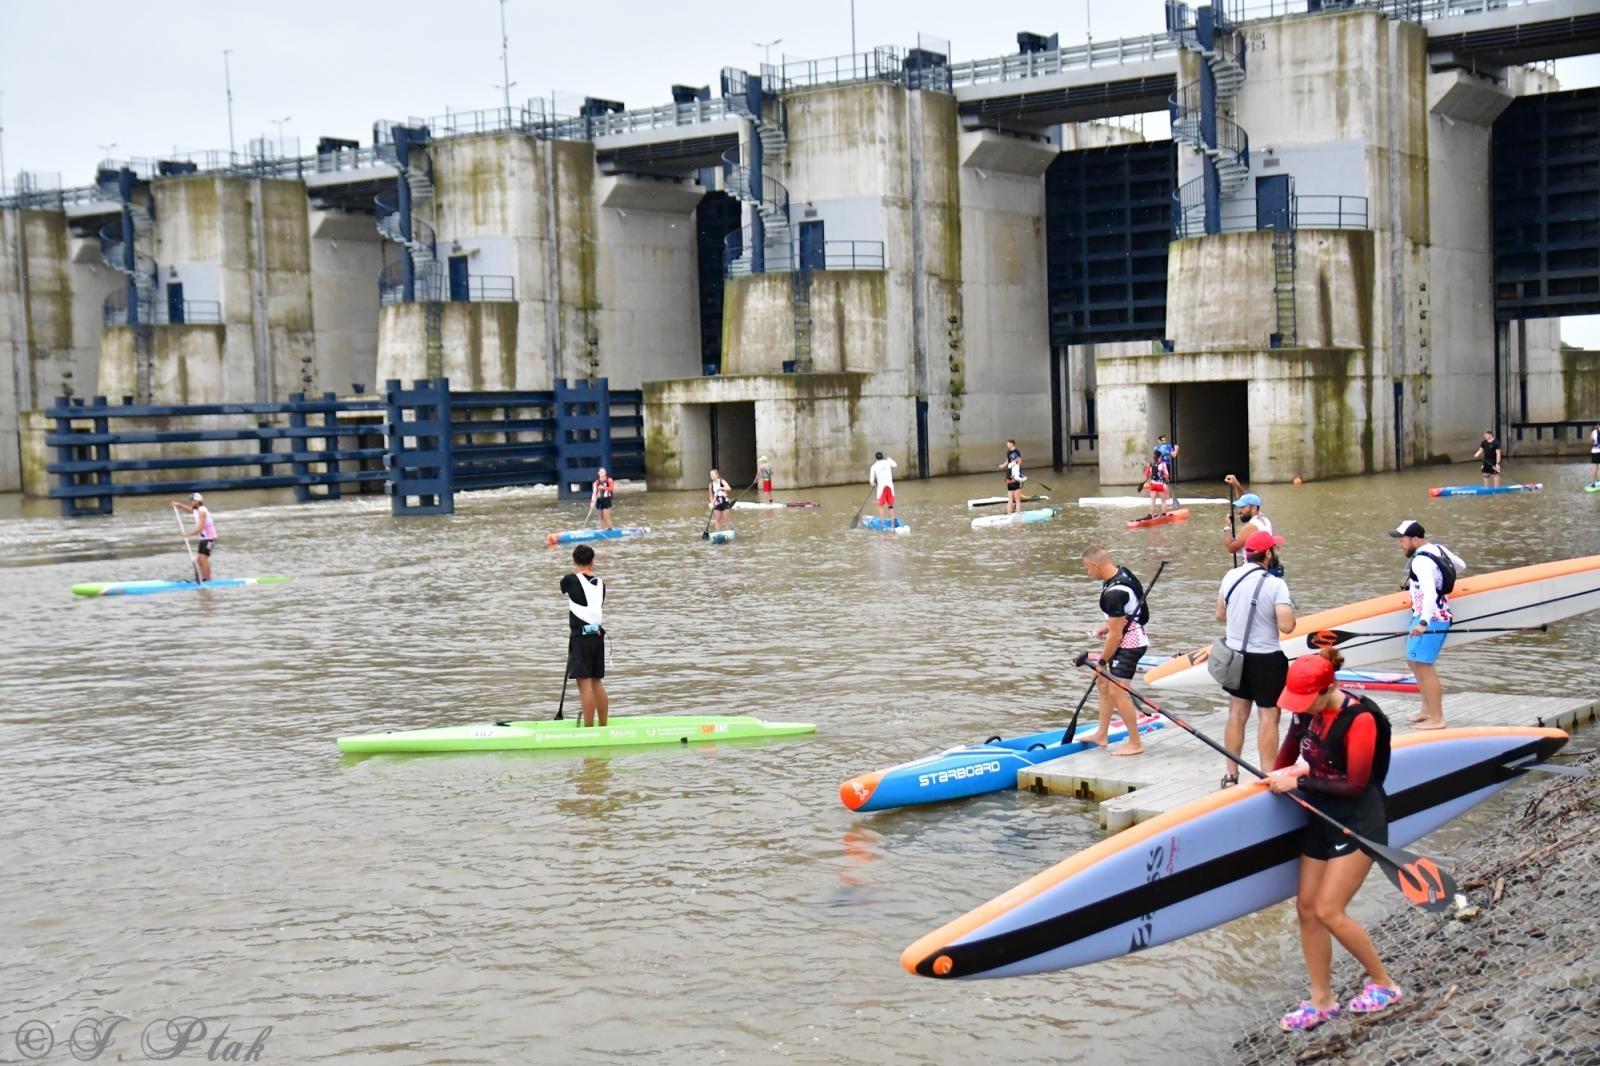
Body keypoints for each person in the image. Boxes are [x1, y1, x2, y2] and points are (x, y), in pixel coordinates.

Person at [1269, 649, 1402, 1032]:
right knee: (1307, 909)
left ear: (1328, 688)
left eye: (1304, 700)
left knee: (1329, 910)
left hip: (1359, 821)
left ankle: (1384, 984)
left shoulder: (1360, 719)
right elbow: (1291, 747)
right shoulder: (1306, 709)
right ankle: (1321, 1000)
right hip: (1320, 816)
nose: (1300, 708)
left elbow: (1356, 784)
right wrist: (1274, 776)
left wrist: (1299, 780)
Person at [1216, 529, 1297, 788]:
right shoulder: (1276, 584)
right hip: (1266, 659)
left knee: (1236, 715)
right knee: (1268, 717)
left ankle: (1230, 774)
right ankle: (1268, 775)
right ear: (1269, 553)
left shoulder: (1230, 576)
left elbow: (1220, 614)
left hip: (1236, 656)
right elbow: (1287, 626)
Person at [1389, 520, 1466, 730]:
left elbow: (1431, 592)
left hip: (1430, 619)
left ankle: (1437, 718)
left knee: (1424, 667)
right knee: (1414, 663)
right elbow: (1461, 566)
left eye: (1402, 540)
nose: (1400, 545)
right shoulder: (1438, 549)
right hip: (1432, 615)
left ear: (1415, 539)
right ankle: (1426, 710)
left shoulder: (1420, 561)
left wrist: (1423, 622)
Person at [1082, 546, 1149, 757]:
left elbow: (1117, 636)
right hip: (1124, 636)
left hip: (1130, 644)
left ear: (1096, 565)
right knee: (1104, 683)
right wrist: (1109, 625)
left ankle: (1135, 743)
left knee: (1117, 691)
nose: (1088, 573)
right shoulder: (1122, 572)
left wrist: (1101, 662)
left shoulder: (1114, 593)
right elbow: (1132, 609)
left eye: (1087, 569)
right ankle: (1102, 734)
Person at [560, 544, 609, 728]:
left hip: (581, 638)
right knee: (597, 682)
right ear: (592, 561)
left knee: (584, 685)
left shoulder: (570, 580)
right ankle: (603, 726)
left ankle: (589, 730)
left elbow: (563, 588)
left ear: (574, 561)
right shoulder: (601, 583)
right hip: (598, 637)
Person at [1222, 474, 1283, 576]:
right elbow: (1245, 499)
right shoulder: (1264, 519)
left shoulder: (1251, 527)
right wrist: (1236, 485)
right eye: (1239, 507)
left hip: (1252, 572)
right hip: (1265, 569)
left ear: (1254, 508)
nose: (1239, 511)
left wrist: (1227, 526)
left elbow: (1231, 548)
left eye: (1242, 507)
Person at [170, 492, 216, 582]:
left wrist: (188, 534)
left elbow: (199, 528)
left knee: (203, 559)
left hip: (210, 538)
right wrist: (178, 505)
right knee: (199, 560)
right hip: (204, 538)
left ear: (197, 501)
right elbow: (188, 509)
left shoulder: (202, 511)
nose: (190, 502)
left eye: (192, 501)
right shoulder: (196, 509)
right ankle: (204, 579)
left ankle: (208, 580)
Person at [869, 451, 898, 524]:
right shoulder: (887, 462)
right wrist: (889, 458)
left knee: (881, 506)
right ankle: (892, 525)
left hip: (881, 488)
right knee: (891, 506)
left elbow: (871, 481)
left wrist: (873, 484)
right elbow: (895, 465)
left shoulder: (874, 466)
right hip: (890, 487)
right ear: (882, 457)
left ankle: (883, 526)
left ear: (876, 458)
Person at [998, 440, 1025, 515]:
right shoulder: (1009, 453)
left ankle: (1009, 514)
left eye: (1008, 443)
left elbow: (1019, 461)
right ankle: (1017, 515)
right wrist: (1023, 478)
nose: (1007, 444)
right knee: (1017, 500)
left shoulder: (1016, 452)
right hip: (1014, 478)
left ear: (1012, 444)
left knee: (1010, 500)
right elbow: (1012, 461)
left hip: (1009, 477)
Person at [1588, 424, 1599, 489]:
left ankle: (1593, 483)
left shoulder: (1594, 431)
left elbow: (1590, 440)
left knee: (1595, 467)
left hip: (1595, 451)